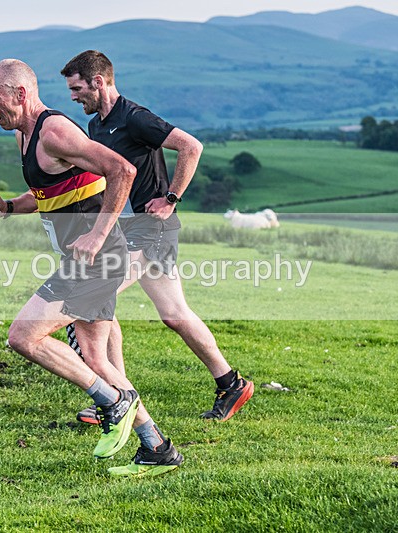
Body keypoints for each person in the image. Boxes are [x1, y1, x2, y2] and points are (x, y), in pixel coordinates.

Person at [0, 59, 183, 477]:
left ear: (20, 94)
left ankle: (114, 402)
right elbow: (49, 192)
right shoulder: (26, 135)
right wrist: (10, 207)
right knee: (96, 359)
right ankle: (157, 448)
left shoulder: (54, 130)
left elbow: (122, 169)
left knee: (24, 336)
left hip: (98, 259)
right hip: (86, 260)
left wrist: (98, 232)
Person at [60, 50, 254, 424]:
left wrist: (170, 199)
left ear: (98, 82)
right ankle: (231, 383)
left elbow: (191, 146)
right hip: (129, 230)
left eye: (77, 88)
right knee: (175, 314)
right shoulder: (99, 125)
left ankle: (117, 398)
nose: (73, 96)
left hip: (151, 229)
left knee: (95, 296)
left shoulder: (134, 117)